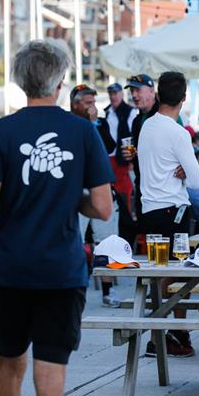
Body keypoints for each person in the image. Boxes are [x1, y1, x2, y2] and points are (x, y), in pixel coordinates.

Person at [0, 40, 114, 396]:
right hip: (61, 271)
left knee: (8, 369)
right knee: (51, 378)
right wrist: (71, 198)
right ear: (60, 82)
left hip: (9, 269)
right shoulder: (84, 132)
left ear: (21, 82)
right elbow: (103, 209)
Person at [136, 71, 199, 358]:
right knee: (174, 276)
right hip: (174, 211)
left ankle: (171, 335)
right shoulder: (178, 133)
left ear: (159, 95)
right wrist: (186, 171)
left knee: (160, 274)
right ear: (184, 98)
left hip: (149, 208)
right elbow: (198, 180)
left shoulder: (146, 126)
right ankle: (164, 334)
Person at [70, 84, 122, 308]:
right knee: (75, 240)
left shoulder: (99, 124)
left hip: (100, 187)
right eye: (88, 103)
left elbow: (110, 147)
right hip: (77, 189)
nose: (93, 107)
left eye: (94, 102)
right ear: (76, 104)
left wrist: (95, 124)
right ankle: (75, 288)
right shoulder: (69, 124)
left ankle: (108, 291)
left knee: (107, 240)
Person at [119, 74, 157, 217]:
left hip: (161, 189)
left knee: (161, 237)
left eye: (138, 90)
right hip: (142, 185)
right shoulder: (137, 120)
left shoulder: (164, 115)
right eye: (132, 91)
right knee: (146, 234)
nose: (134, 95)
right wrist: (133, 154)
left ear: (152, 91)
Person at [104, 83, 138, 214]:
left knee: (124, 189)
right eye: (111, 94)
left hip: (122, 158)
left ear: (121, 94)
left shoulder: (130, 111)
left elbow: (133, 134)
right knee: (111, 190)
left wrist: (131, 159)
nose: (113, 96)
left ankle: (126, 217)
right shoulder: (107, 111)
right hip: (108, 157)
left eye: (115, 93)